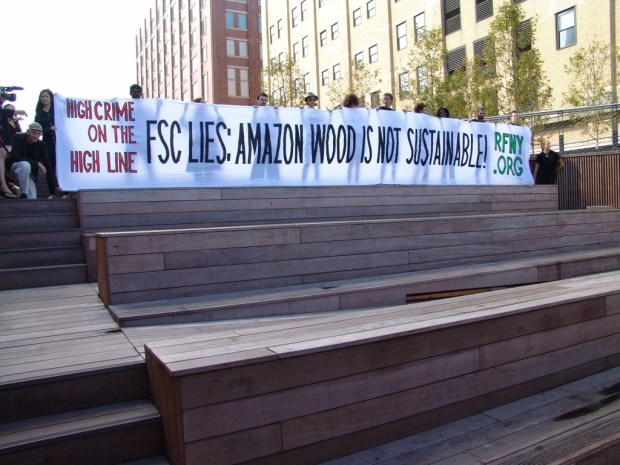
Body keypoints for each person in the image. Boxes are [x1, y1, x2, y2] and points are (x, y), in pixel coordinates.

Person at [9, 122, 58, 199]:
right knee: (25, 165)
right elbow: (16, 157)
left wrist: (54, 186)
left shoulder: (41, 145)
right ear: (28, 132)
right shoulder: (18, 138)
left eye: (38, 134)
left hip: (29, 174)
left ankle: (24, 195)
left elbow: (48, 166)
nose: (36, 136)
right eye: (34, 133)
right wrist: (37, 163)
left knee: (32, 198)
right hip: (15, 167)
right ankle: (23, 193)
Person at [34, 89, 57, 171]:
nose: (44, 98)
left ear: (51, 98)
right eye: (42, 97)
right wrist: (49, 129)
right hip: (47, 142)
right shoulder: (38, 114)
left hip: (59, 141)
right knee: (50, 164)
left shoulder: (57, 110)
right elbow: (37, 129)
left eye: (46, 96)